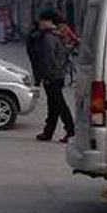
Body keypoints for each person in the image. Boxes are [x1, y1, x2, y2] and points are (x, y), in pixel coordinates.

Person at [35, 8, 75, 143]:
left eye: (41, 21)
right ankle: (48, 132)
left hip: (52, 76)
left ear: (48, 21)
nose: (39, 24)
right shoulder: (59, 35)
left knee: (59, 105)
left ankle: (71, 131)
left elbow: (49, 59)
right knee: (53, 105)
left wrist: (46, 76)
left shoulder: (48, 37)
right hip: (59, 74)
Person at [25, 19, 44, 86]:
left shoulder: (35, 34)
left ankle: (38, 80)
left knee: (36, 68)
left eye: (31, 25)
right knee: (36, 68)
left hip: (35, 54)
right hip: (34, 54)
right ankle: (38, 79)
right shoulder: (36, 33)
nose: (30, 26)